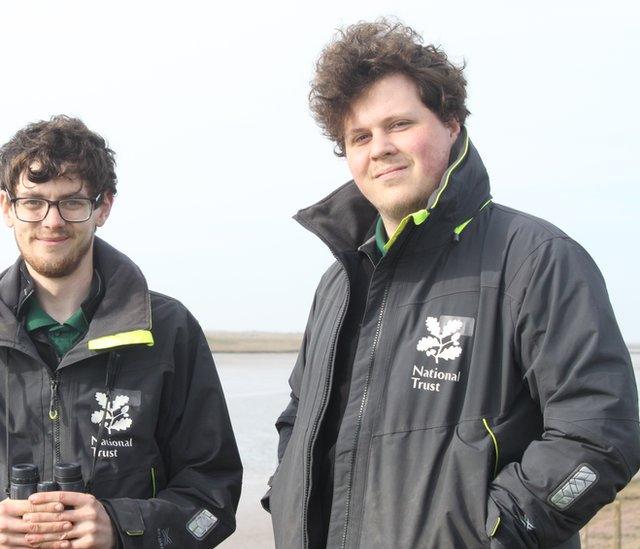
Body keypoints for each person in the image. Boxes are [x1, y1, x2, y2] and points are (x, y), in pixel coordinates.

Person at [264, 19, 640, 548]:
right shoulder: (339, 282)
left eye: (399, 124)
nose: (380, 148)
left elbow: (600, 435)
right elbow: (299, 418)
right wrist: (284, 498)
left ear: (451, 122)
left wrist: (495, 529)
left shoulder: (535, 258)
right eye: (360, 136)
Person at [0, 115, 241, 549]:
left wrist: (120, 526)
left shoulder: (169, 330)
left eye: (73, 202)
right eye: (34, 201)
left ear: (103, 207)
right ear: (7, 207)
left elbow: (214, 495)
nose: (52, 220)